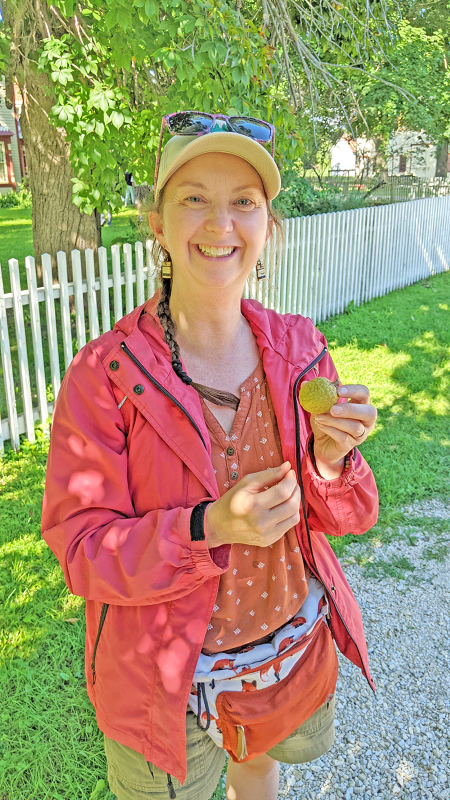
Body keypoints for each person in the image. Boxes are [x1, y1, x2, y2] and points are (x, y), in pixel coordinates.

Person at [42, 111, 378, 800]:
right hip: (167, 687)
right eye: (194, 198)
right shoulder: (104, 375)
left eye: (243, 202)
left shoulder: (298, 349)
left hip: (283, 653)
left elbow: (345, 515)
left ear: (268, 226)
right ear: (158, 223)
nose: (220, 224)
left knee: (257, 768)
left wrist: (329, 463)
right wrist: (209, 527)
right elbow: (83, 548)